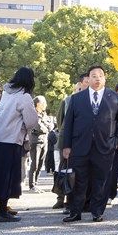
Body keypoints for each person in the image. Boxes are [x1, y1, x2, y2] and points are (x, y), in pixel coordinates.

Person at [59, 65, 118, 222]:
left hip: (105, 147)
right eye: (93, 75)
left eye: (100, 75)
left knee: (101, 180)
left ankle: (97, 211)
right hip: (80, 146)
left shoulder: (114, 97)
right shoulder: (77, 98)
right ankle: (75, 211)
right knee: (79, 180)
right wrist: (66, 146)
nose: (97, 78)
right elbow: (68, 124)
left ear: (105, 79)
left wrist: (116, 143)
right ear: (88, 78)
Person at [0, 67, 38, 221]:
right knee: (5, 177)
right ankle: (2, 212)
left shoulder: (6, 93)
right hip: (10, 141)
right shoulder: (24, 97)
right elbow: (31, 121)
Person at [51, 72, 88, 210]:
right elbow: (60, 122)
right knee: (63, 170)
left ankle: (75, 200)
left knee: (78, 172)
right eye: (86, 81)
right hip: (66, 140)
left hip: (82, 141)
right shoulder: (67, 100)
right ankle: (60, 197)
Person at [26, 95, 50, 192]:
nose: (45, 104)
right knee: (34, 164)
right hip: (36, 141)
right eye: (42, 102)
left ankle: (36, 183)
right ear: (37, 104)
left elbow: (51, 125)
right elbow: (39, 127)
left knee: (41, 164)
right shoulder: (33, 114)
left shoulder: (44, 114)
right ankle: (31, 185)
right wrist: (46, 127)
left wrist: (47, 127)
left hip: (44, 141)